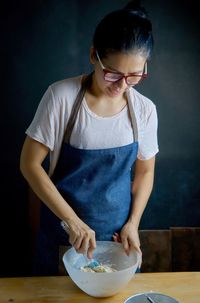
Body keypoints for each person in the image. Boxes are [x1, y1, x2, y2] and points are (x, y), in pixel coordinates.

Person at [20, 0, 159, 275]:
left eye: (134, 76)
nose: (122, 86)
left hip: (118, 240)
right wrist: (72, 221)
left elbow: (145, 172)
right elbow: (29, 164)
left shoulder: (144, 110)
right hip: (62, 234)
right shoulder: (61, 97)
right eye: (113, 74)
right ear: (94, 55)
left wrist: (133, 223)